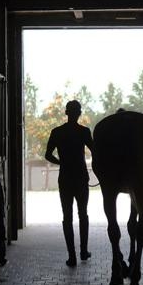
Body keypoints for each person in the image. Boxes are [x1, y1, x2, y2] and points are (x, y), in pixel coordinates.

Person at [45, 100, 93, 267]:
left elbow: (48, 155)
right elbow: (95, 151)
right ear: (79, 113)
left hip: (65, 178)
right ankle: (83, 251)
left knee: (67, 217)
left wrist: (61, 163)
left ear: (66, 113)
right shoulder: (84, 132)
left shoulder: (57, 132)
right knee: (83, 215)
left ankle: (71, 256)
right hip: (81, 177)